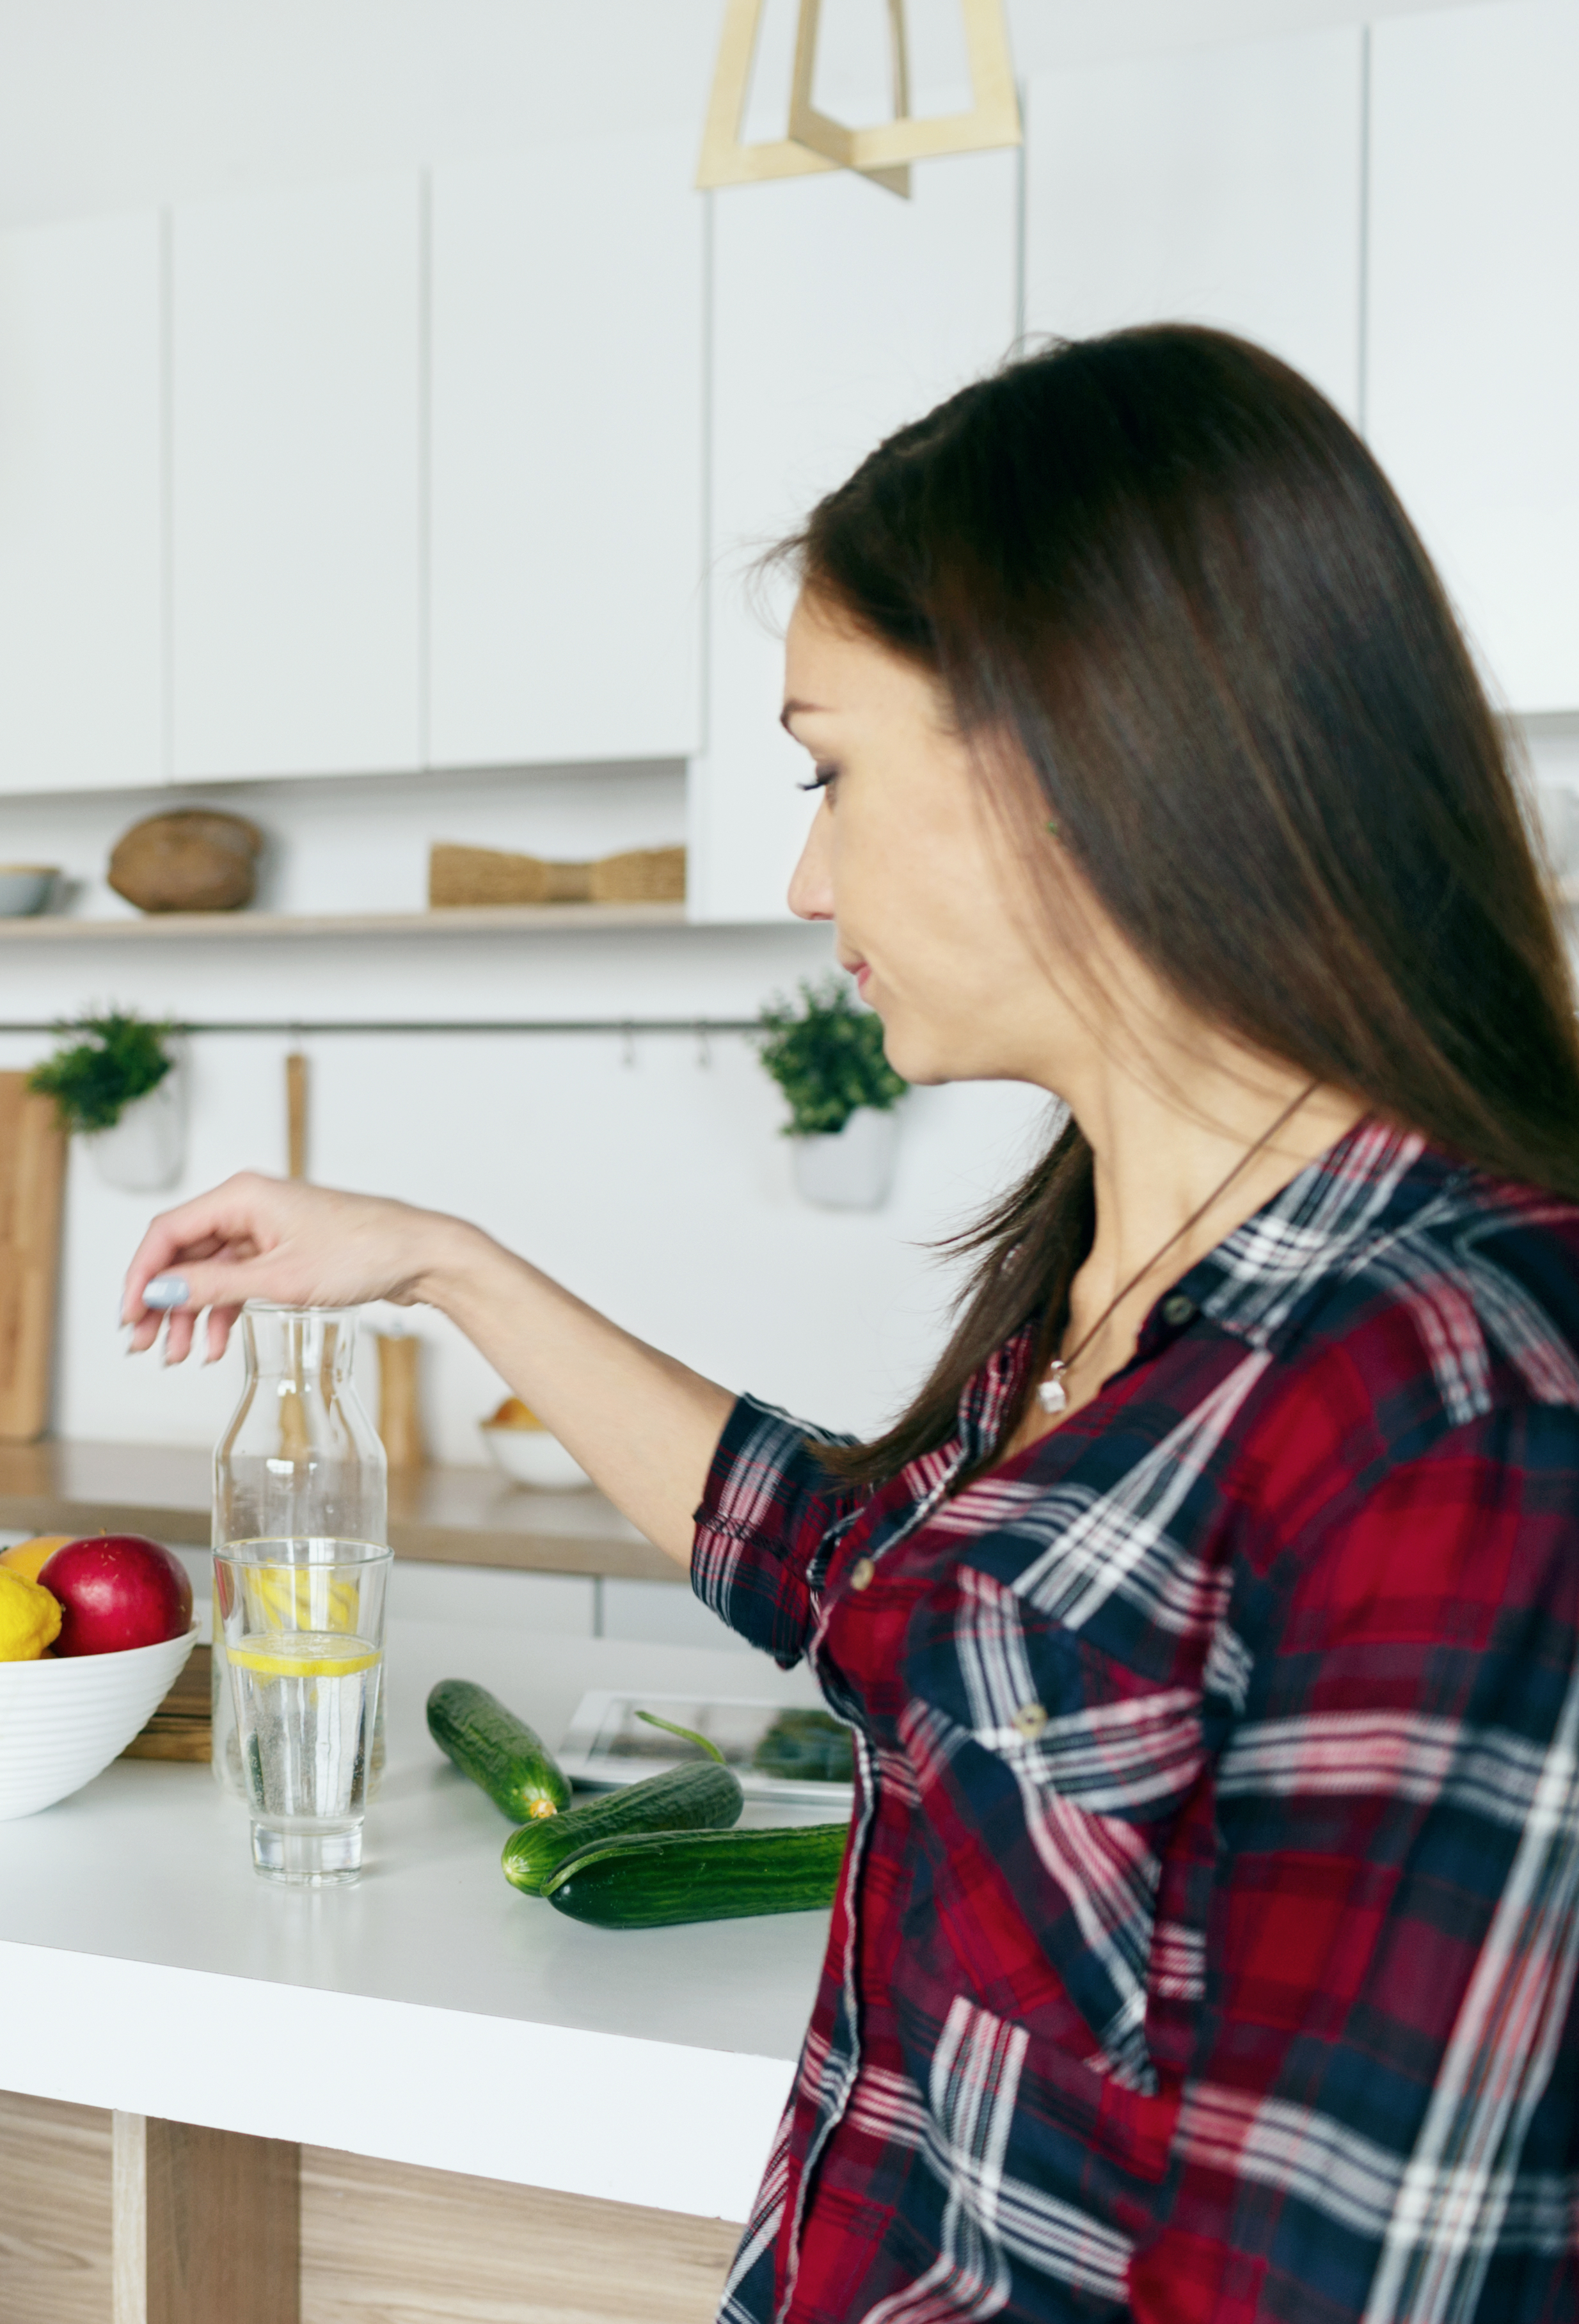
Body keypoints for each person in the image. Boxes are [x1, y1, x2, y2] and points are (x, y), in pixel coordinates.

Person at [123, 327, 1579, 2321]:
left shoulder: (1456, 1412)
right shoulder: (1129, 1268)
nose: (807, 873)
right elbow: (873, 1588)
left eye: (830, 768)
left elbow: (1335, 2272)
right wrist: (442, 1264)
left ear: (1078, 747)